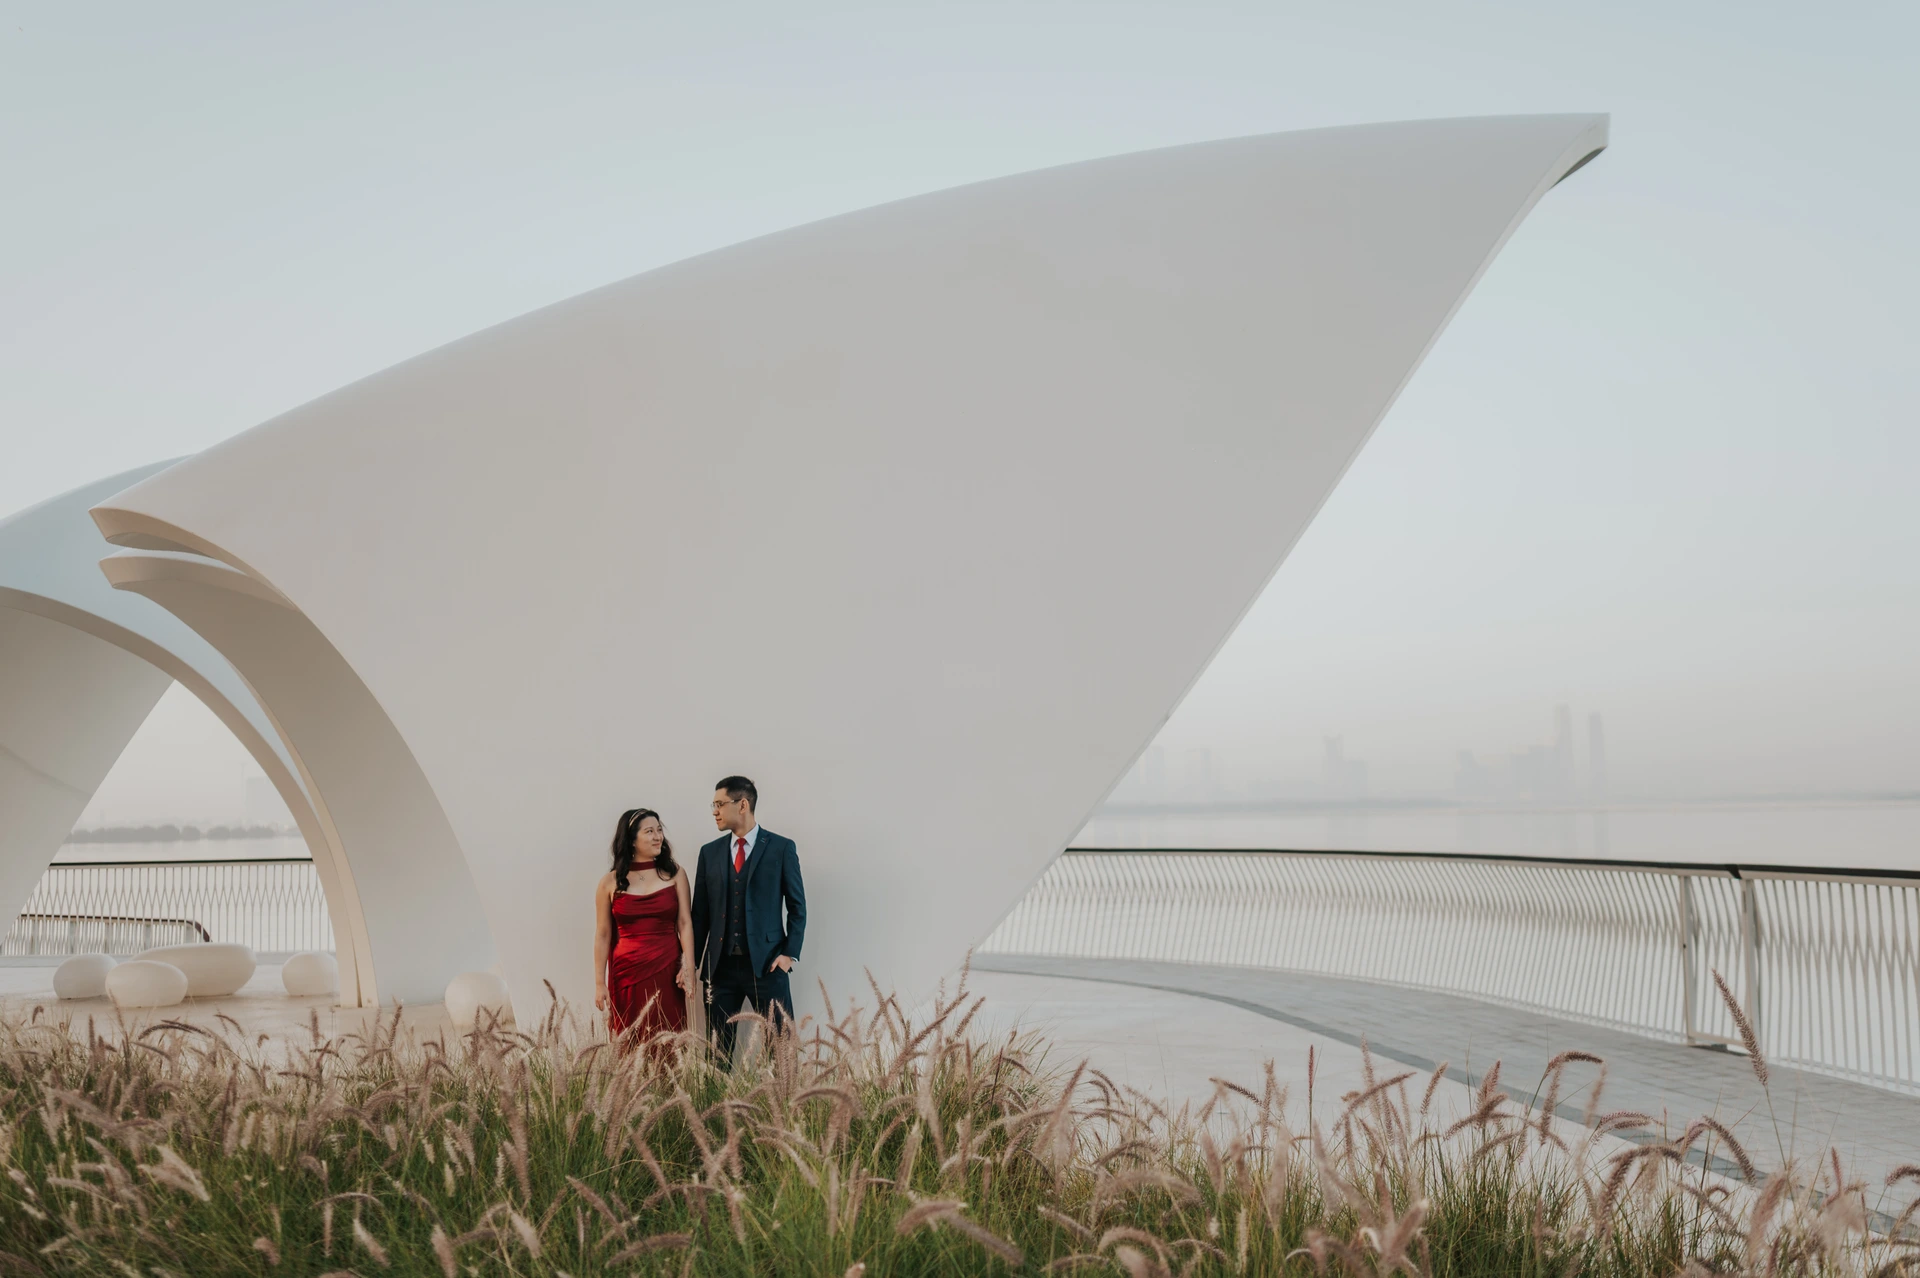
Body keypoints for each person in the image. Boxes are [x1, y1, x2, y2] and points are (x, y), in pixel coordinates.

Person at [692, 775, 806, 1063]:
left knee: (781, 1052)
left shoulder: (781, 848)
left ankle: (784, 1107)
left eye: (720, 804)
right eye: (713, 805)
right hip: (720, 970)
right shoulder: (709, 853)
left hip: (768, 966)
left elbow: (797, 906)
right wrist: (691, 965)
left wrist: (788, 955)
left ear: (742, 804)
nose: (714, 811)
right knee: (717, 1055)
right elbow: (700, 915)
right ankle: (716, 1108)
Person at [594, 807, 696, 1049]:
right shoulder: (609, 882)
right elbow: (603, 935)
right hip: (626, 973)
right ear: (631, 839)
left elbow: (685, 923)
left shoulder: (675, 874)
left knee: (670, 1038)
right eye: (649, 831)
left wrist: (688, 966)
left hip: (668, 969)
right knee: (629, 1043)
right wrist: (599, 982)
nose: (658, 836)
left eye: (659, 830)